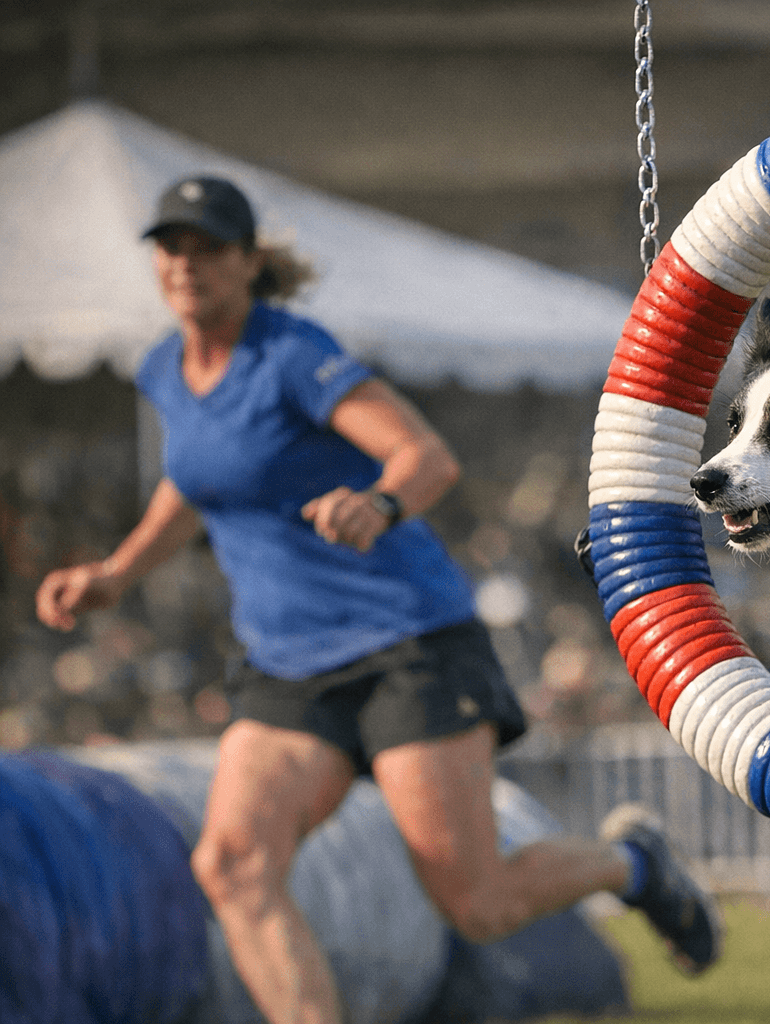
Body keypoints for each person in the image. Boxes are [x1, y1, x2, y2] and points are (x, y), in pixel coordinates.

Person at [35, 175, 720, 1022]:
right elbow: (192, 480)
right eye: (171, 247)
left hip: (408, 645)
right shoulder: (164, 370)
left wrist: (380, 503)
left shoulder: (291, 353)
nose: (186, 264)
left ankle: (635, 865)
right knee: (233, 867)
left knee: (479, 904)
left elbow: (424, 456)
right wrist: (117, 573)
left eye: (209, 246)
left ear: (248, 263)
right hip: (287, 666)